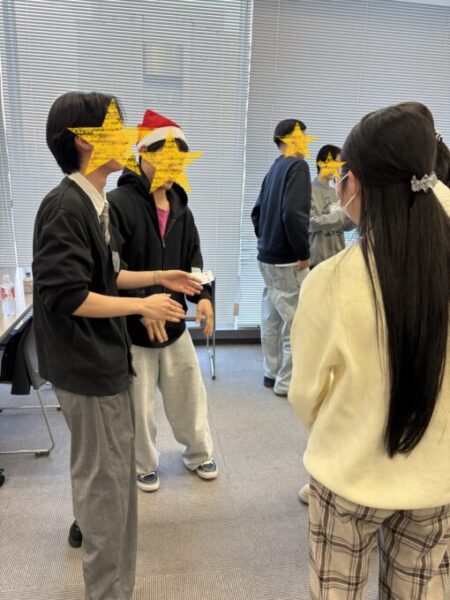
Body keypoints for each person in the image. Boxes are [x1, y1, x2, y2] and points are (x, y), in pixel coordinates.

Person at [33, 92, 201, 600]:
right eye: (115, 127)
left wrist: (158, 278)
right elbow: (68, 295)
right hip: (86, 367)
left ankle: (116, 588)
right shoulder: (65, 207)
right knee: (104, 492)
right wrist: (142, 305)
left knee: (113, 483)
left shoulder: (96, 201)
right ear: (85, 141)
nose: (127, 138)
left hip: (104, 362)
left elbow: (107, 274)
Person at [289, 104, 450, 598]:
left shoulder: (332, 281)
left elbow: (305, 394)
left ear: (354, 185)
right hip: (436, 480)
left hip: (349, 474)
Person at [108, 109, 218, 493]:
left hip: (173, 323)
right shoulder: (118, 204)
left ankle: (199, 452)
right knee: (139, 404)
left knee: (189, 393)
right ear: (143, 154)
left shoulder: (181, 207)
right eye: (165, 160)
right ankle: (144, 463)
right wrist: (143, 305)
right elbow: (112, 268)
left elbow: (194, 260)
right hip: (133, 327)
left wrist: (205, 298)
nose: (172, 169)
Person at [251, 119, 312, 397]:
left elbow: (256, 212)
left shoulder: (274, 168)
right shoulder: (298, 167)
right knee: (295, 322)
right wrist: (303, 253)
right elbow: (293, 214)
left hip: (266, 255)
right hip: (288, 258)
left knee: (272, 318)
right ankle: (286, 383)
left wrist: (267, 240)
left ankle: (271, 372)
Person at [308, 144, 355, 267]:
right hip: (318, 263)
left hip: (338, 260)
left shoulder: (337, 192)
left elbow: (344, 225)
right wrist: (341, 215)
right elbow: (311, 223)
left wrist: (357, 216)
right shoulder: (307, 190)